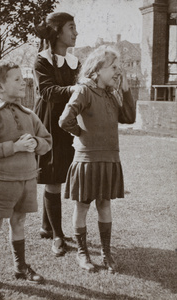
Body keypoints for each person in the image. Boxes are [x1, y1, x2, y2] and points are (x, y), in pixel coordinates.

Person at [0, 60, 52, 293]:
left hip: (28, 179)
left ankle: (20, 266)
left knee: (19, 221)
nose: (23, 81)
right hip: (2, 182)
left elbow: (47, 142)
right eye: (16, 79)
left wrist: (36, 143)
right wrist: (14, 147)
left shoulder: (29, 114)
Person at [59, 45, 136, 273]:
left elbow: (129, 117)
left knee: (104, 204)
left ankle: (106, 252)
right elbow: (65, 120)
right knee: (82, 206)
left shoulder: (111, 94)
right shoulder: (84, 91)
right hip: (87, 160)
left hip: (110, 159)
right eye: (113, 67)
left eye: (118, 68)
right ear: (98, 69)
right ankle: (83, 254)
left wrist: (126, 89)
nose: (117, 72)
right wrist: (81, 134)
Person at [33, 12, 80, 257]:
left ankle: (45, 226)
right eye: (71, 27)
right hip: (49, 122)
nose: (76, 32)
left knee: (58, 172)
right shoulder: (41, 60)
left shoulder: (74, 62)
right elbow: (48, 91)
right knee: (53, 175)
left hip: (67, 122)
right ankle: (58, 235)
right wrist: (76, 88)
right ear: (57, 32)